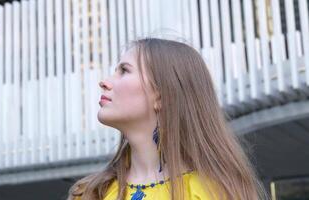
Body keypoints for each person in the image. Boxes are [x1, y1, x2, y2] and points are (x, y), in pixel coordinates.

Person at [67, 38, 269, 200]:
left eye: (124, 71)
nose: (105, 82)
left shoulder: (213, 192)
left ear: (162, 95)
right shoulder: (90, 193)